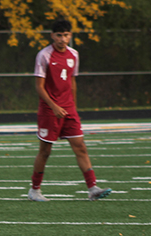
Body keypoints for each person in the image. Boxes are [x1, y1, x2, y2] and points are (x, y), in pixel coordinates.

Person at [28, 19, 111, 202]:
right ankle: (34, 190)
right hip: (50, 110)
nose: (62, 39)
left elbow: (72, 81)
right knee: (45, 151)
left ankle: (92, 188)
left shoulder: (74, 54)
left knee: (80, 146)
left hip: (68, 109)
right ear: (52, 36)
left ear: (70, 36)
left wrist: (73, 105)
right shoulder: (44, 55)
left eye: (66, 35)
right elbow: (39, 87)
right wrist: (54, 106)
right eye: (59, 35)